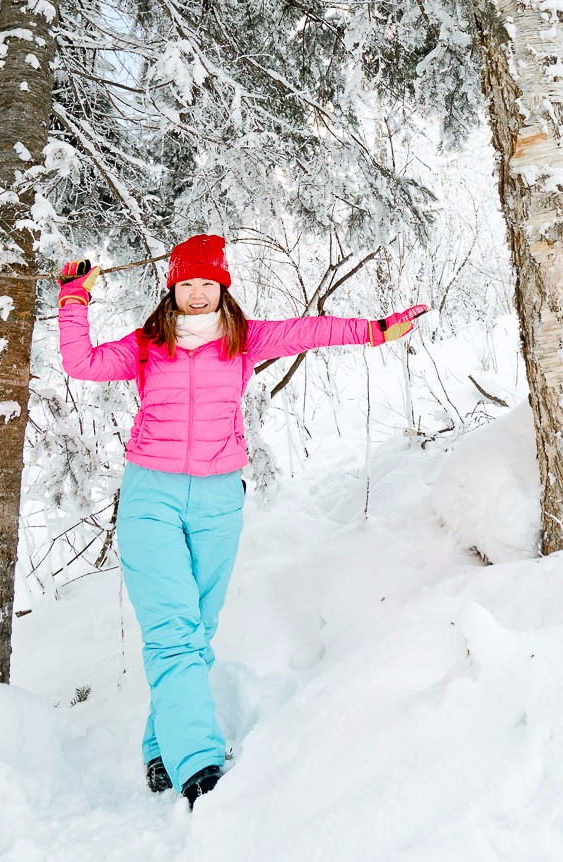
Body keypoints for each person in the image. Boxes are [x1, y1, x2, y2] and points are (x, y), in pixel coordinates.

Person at [56, 233, 424, 806]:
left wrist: (376, 330)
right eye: (187, 284)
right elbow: (81, 363)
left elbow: (313, 330)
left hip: (219, 496)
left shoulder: (244, 340)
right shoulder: (149, 344)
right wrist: (74, 298)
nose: (198, 294)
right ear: (171, 289)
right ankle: (198, 763)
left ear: (222, 287)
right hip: (150, 495)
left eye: (208, 283)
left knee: (197, 631)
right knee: (174, 633)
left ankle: (161, 744)